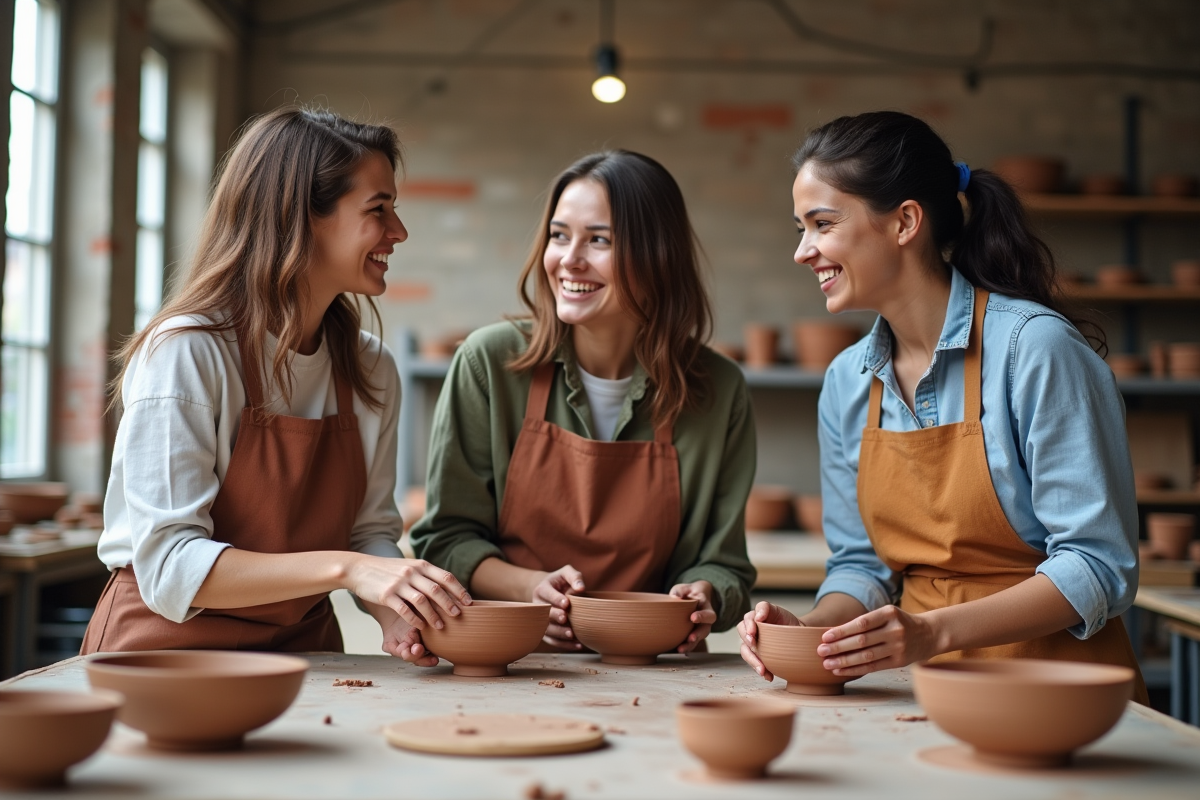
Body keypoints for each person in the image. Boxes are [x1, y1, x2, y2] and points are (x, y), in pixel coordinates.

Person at [738, 111, 1147, 701]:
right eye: (800, 229)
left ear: (905, 221)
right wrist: (813, 632)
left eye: (822, 224)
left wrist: (931, 632)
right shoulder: (847, 381)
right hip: (923, 692)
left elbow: (1098, 565)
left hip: (1064, 696)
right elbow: (860, 566)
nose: (804, 251)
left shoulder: (1035, 350)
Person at [81, 107, 470, 656]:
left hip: (303, 653)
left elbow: (368, 534)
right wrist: (351, 569)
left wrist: (395, 613)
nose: (398, 232)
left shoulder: (370, 369)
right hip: (164, 654)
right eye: (378, 210)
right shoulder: (188, 351)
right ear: (301, 217)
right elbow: (170, 565)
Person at [402, 151, 756, 664]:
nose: (569, 259)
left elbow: (725, 566)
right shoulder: (489, 364)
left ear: (658, 255)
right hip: (508, 662)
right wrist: (530, 590)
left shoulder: (718, 391)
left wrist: (703, 594)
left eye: (600, 239)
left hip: (650, 673)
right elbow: (443, 540)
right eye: (559, 234)